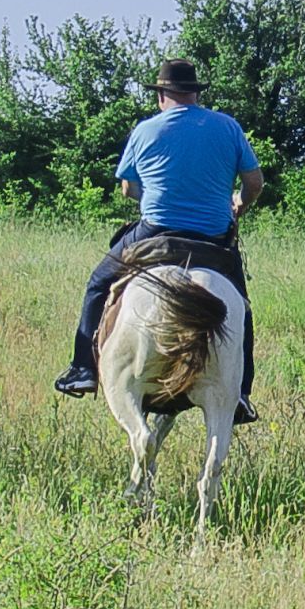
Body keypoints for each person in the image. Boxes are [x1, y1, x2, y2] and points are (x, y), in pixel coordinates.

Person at [54, 58, 263, 424]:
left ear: (162, 95)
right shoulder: (228, 127)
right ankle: (241, 394)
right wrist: (237, 206)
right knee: (241, 309)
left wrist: (155, 196)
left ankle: (83, 369)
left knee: (98, 283)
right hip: (214, 238)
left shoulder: (145, 131)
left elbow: (127, 189)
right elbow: (254, 183)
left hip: (156, 232)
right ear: (196, 93)